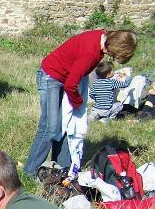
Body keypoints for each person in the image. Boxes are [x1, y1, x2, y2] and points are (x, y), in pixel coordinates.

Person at [23, 30, 137, 177]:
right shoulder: (91, 53)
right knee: (49, 127)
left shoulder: (101, 38)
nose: (111, 57)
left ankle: (61, 167)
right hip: (50, 76)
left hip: (65, 78)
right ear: (112, 46)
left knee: (66, 122)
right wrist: (78, 103)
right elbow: (71, 85)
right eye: (114, 55)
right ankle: (30, 171)